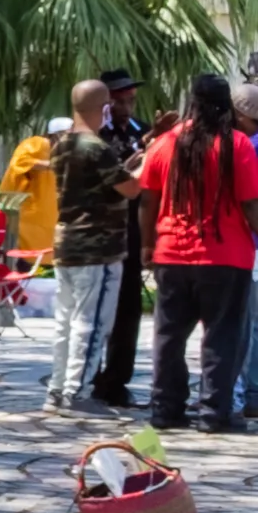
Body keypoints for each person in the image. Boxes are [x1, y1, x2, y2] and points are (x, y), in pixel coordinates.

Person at [138, 71, 258, 431]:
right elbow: (251, 206)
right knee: (221, 335)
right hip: (226, 255)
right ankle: (213, 412)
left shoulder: (166, 143)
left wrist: (146, 243)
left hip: (172, 253)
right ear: (228, 106)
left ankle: (165, 409)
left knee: (169, 336)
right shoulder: (237, 145)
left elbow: (147, 198)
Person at [47, 78, 143, 413]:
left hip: (67, 244)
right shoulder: (96, 147)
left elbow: (99, 183)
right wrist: (143, 166)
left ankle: (57, 388)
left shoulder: (61, 144)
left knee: (65, 321)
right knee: (92, 322)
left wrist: (123, 170)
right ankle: (79, 392)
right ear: (103, 108)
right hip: (97, 248)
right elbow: (130, 190)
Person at [95, 68, 150, 408]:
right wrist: (132, 162)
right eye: (119, 100)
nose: (126, 106)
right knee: (96, 312)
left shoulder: (143, 131)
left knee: (128, 312)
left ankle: (116, 380)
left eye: (130, 99)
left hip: (131, 232)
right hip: (100, 234)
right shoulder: (94, 136)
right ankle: (87, 377)